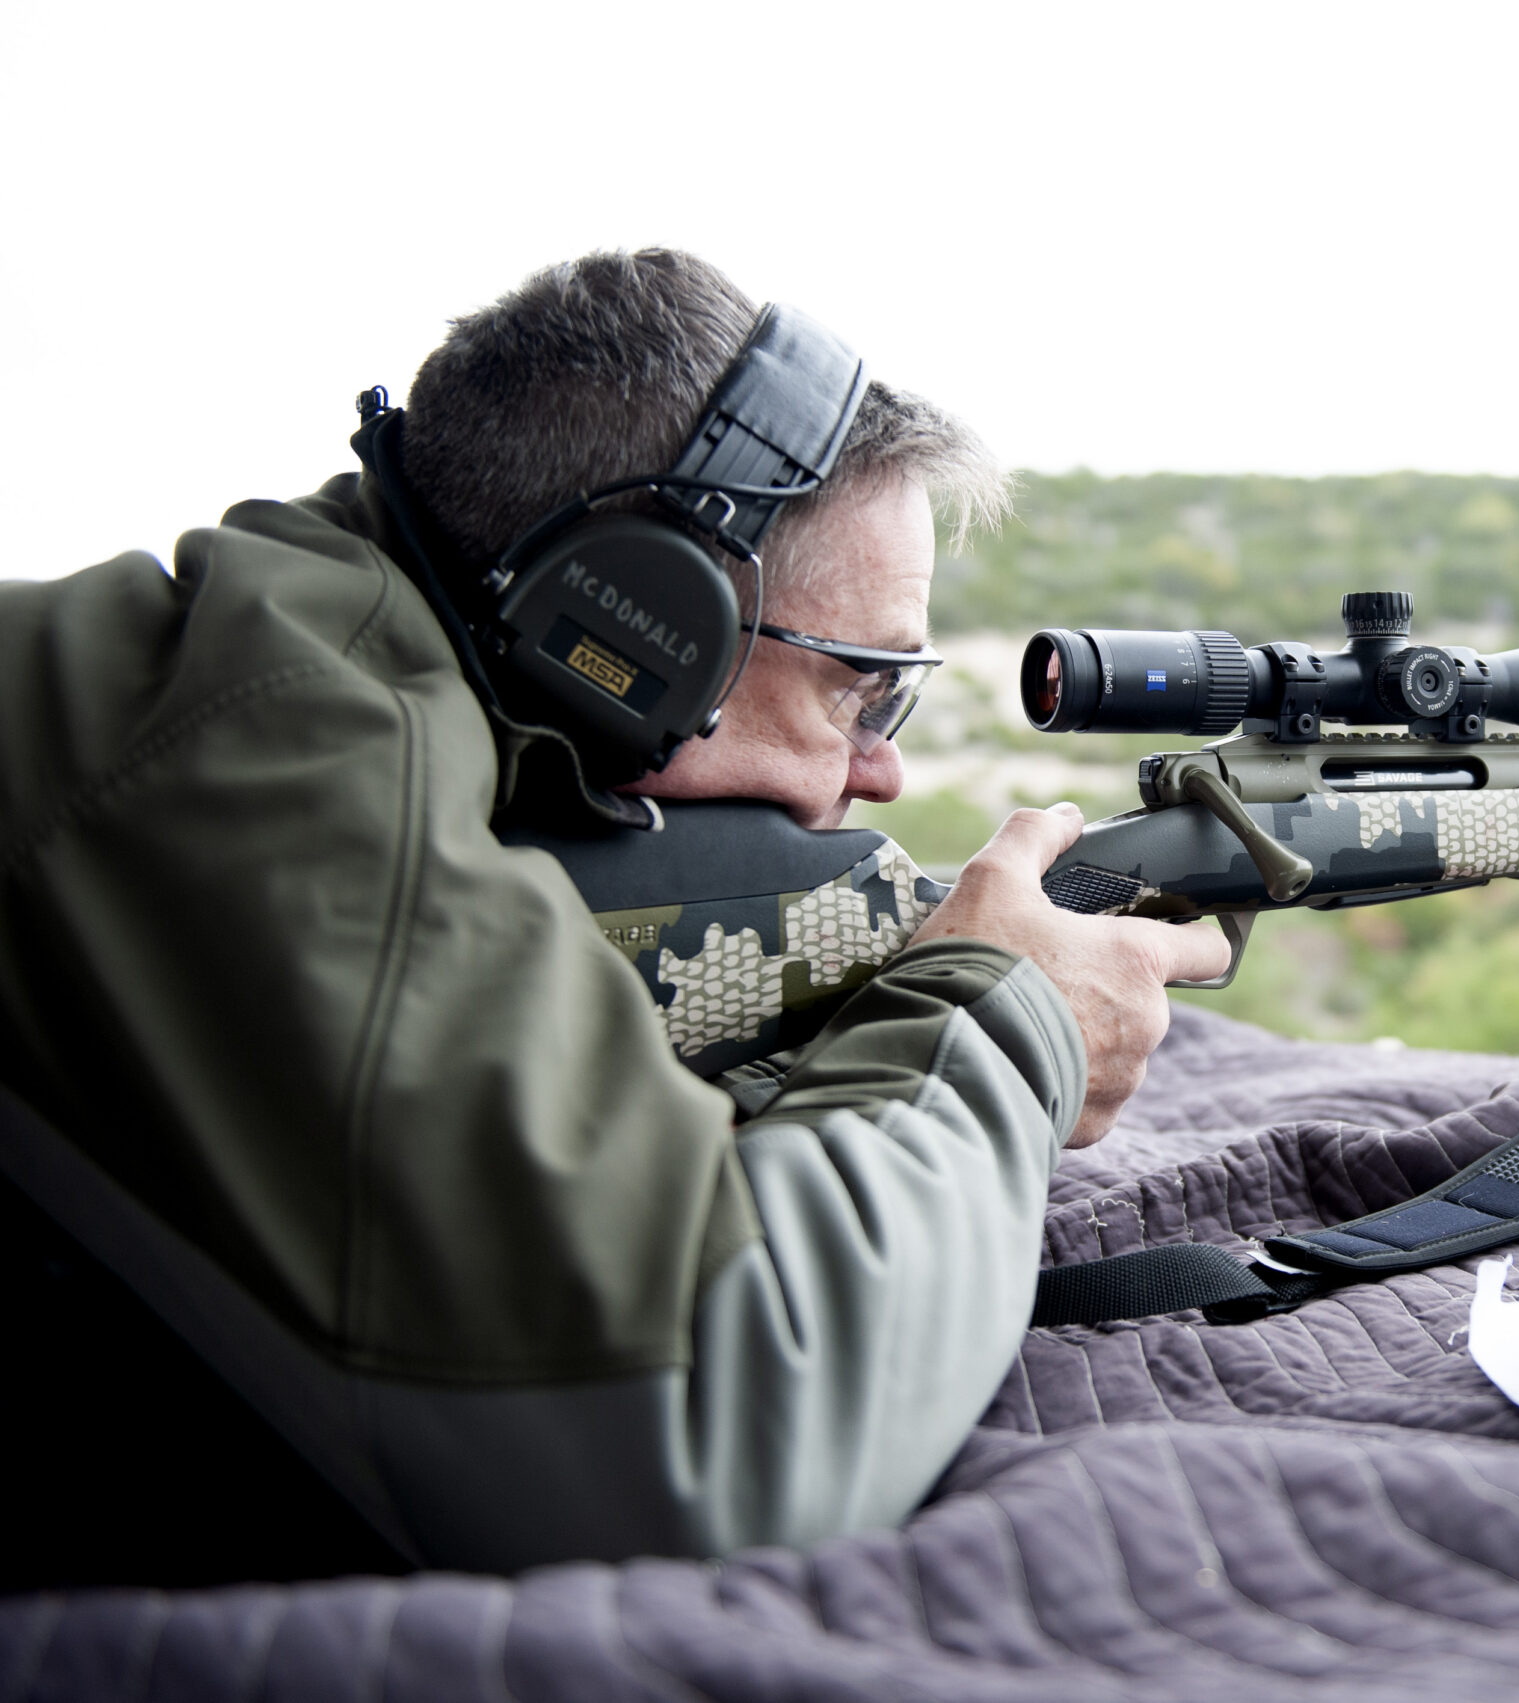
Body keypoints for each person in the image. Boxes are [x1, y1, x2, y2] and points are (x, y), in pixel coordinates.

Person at [0, 249, 1229, 1576]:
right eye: (861, 691)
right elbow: (709, 1438)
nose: (882, 770)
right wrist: (1009, 1021)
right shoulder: (258, 757)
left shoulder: (314, 667)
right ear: (640, 623)